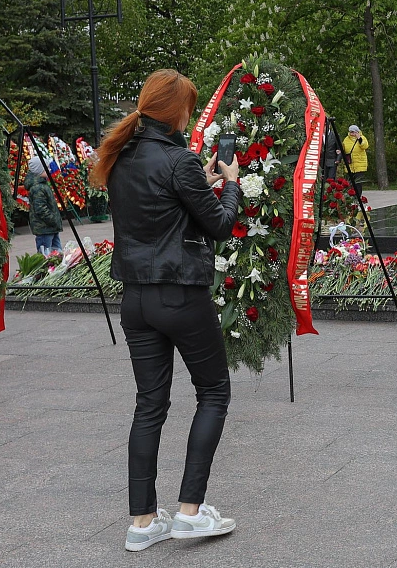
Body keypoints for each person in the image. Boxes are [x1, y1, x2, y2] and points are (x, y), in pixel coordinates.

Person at [90, 69, 242, 551]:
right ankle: (189, 513)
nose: (190, 117)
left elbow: (160, 212)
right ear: (176, 111)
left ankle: (141, 523)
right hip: (180, 294)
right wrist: (230, 183)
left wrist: (203, 181)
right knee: (213, 392)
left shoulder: (120, 155)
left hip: (135, 298)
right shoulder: (179, 160)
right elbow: (220, 225)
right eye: (189, 109)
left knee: (149, 405)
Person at [26, 155, 62, 255]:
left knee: (57, 253)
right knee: (45, 254)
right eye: (47, 167)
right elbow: (40, 209)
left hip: (51, 227)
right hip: (44, 228)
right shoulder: (37, 187)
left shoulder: (42, 185)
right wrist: (53, 219)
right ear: (39, 170)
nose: (49, 169)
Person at [343, 124, 369, 197]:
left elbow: (365, 146)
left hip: (360, 164)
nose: (352, 134)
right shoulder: (346, 139)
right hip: (350, 164)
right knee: (350, 182)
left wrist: (359, 139)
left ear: (357, 132)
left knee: (358, 182)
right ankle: (351, 196)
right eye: (351, 132)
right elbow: (343, 148)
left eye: (354, 132)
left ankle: (358, 196)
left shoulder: (362, 138)